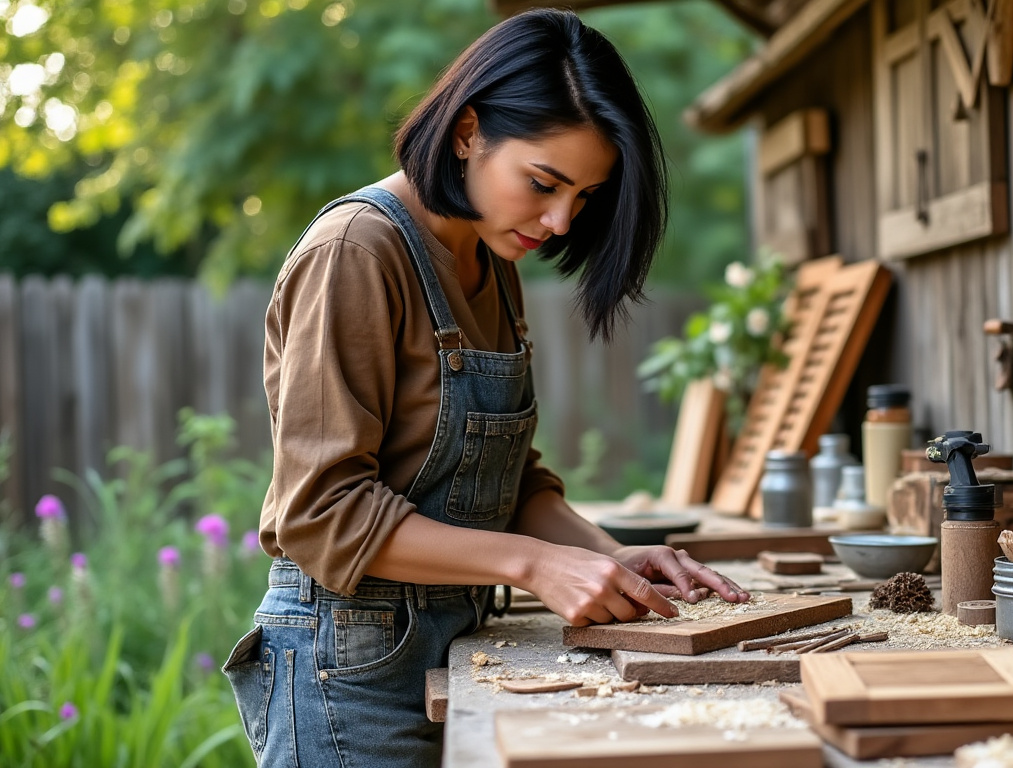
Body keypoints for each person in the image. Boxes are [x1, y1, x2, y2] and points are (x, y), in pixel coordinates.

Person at [221, 9, 750, 766]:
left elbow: (509, 484)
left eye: (585, 196)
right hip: (345, 670)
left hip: (456, 645)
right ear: (468, 132)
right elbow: (322, 513)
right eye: (543, 183)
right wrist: (534, 565)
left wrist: (611, 561)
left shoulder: (491, 259)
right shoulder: (356, 252)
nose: (560, 220)